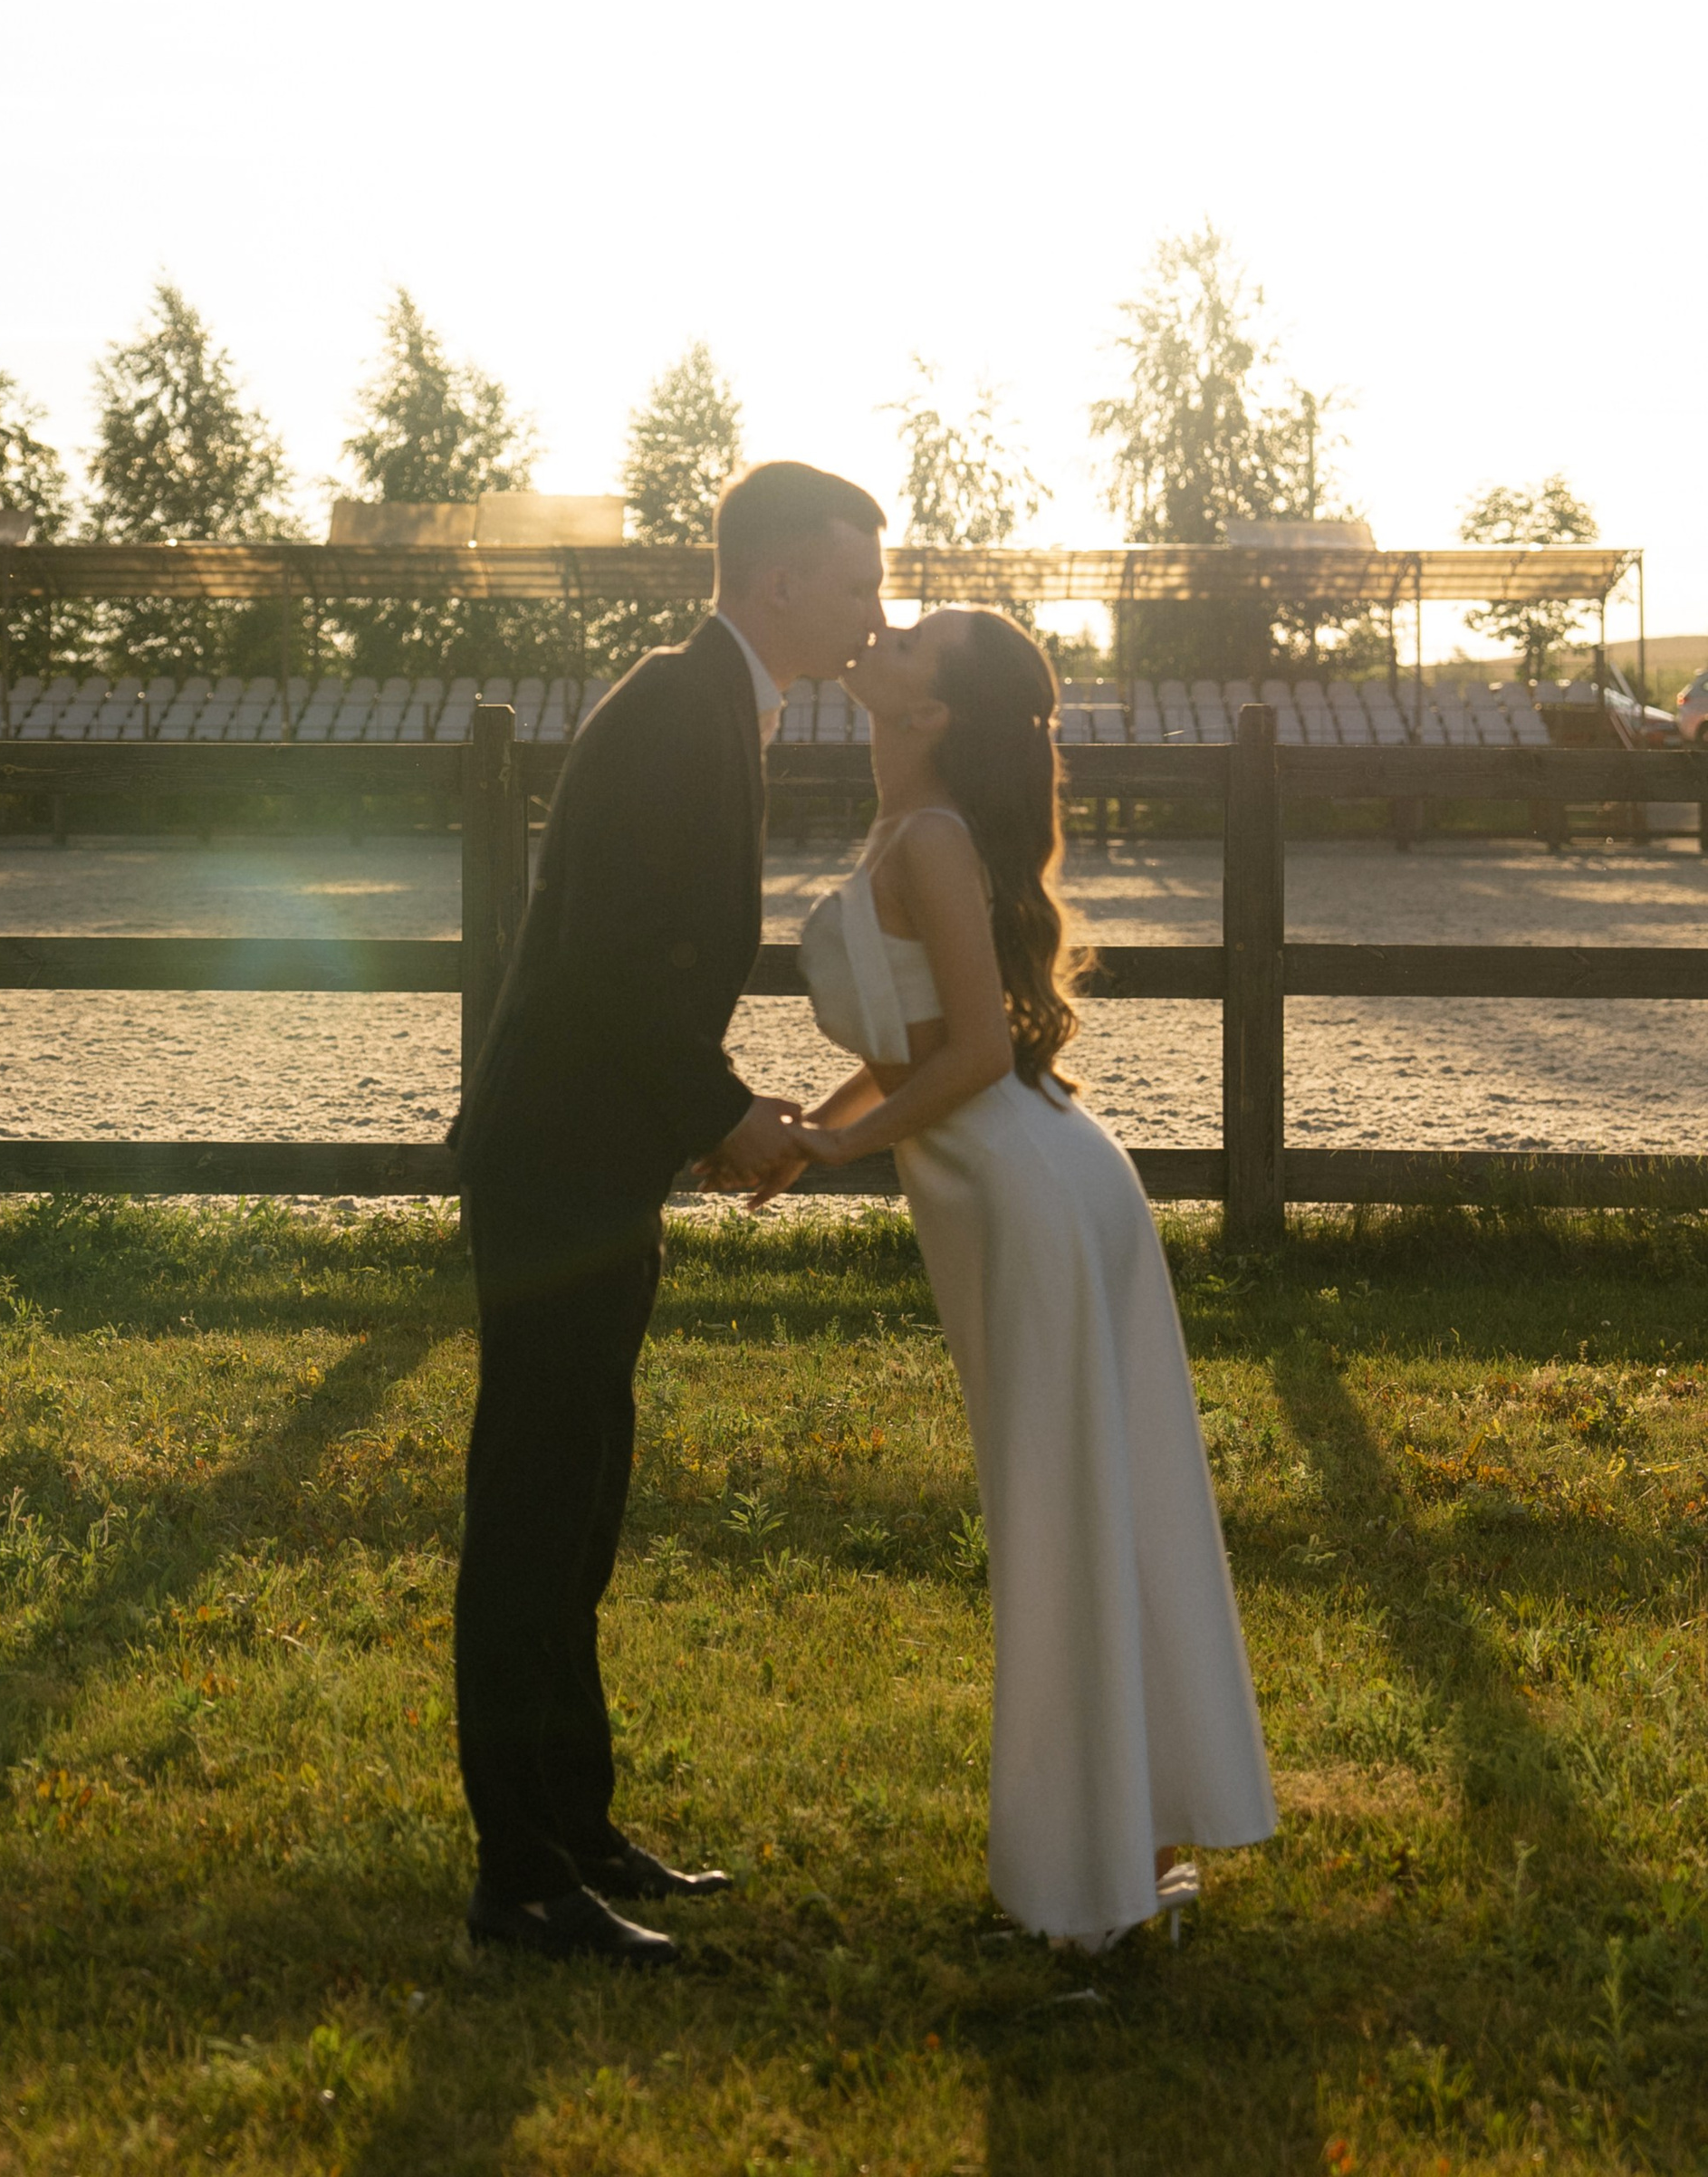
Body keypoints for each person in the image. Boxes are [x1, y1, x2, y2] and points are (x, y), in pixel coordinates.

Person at [779, 604, 1276, 1954]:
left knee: (1062, 1516)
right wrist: (820, 1130)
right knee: (1085, 1503)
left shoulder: (931, 836)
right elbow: (919, 1040)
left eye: (912, 636)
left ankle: (1093, 1893)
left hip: (1026, 1183)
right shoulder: (915, 829)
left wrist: (829, 1143)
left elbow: (975, 1060)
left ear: (930, 713)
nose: (872, 628)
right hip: (1025, 1176)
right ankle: (1132, 1854)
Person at [449, 460, 888, 1964]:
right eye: (855, 582)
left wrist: (699, 1120)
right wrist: (724, 1117)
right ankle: (518, 1877)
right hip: (557, 1161)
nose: (872, 611)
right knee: (531, 1509)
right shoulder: (672, 709)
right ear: (777, 582)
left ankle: (577, 1826)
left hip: (597, 1157)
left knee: (584, 1503)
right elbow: (617, 966)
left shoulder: (713, 701)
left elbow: (636, 967)